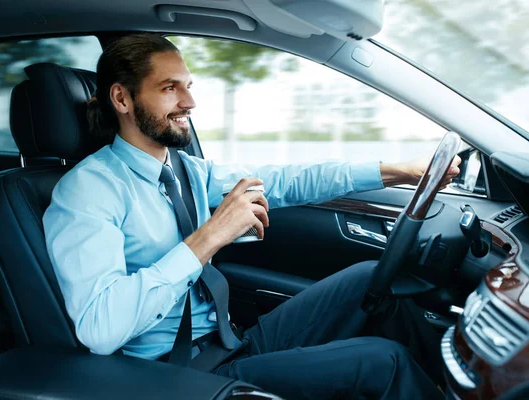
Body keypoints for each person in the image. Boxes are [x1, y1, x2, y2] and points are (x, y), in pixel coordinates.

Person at [43, 33, 460, 399]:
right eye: (170, 88)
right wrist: (209, 237)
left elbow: (286, 181)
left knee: (371, 278)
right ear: (122, 98)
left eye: (188, 86)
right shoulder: (88, 190)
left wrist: (399, 170)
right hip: (175, 373)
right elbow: (99, 330)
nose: (189, 102)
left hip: (229, 340)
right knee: (382, 361)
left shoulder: (185, 170)